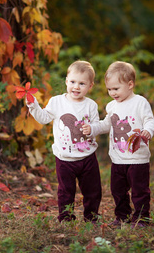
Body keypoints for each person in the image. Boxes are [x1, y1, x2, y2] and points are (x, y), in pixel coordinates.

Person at [27, 61, 102, 223]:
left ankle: (91, 217)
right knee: (66, 191)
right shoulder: (57, 102)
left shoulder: (91, 105)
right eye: (73, 82)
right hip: (65, 158)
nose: (76, 87)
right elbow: (44, 118)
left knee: (93, 191)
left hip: (87, 157)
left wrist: (92, 129)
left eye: (82, 83)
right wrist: (34, 106)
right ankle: (66, 218)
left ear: (90, 86)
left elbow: (96, 124)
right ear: (67, 81)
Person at [93, 61, 154, 228]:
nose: (112, 93)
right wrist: (92, 129)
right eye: (109, 89)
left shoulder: (140, 102)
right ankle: (122, 216)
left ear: (130, 84)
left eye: (116, 89)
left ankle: (142, 218)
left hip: (137, 159)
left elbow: (150, 120)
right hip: (118, 158)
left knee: (139, 191)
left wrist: (148, 131)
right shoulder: (112, 106)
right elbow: (107, 124)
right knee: (118, 191)